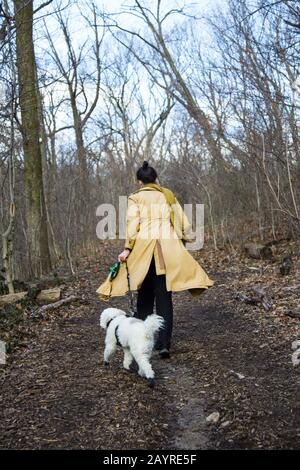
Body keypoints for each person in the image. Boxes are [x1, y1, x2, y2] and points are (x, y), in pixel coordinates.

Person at [96, 161, 214, 359]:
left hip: (144, 249)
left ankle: (139, 340)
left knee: (144, 296)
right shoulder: (167, 195)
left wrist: (127, 249)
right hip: (167, 250)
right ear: (155, 178)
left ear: (139, 182)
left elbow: (132, 225)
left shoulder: (135, 198)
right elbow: (182, 221)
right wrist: (183, 239)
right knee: (164, 297)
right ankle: (164, 343)